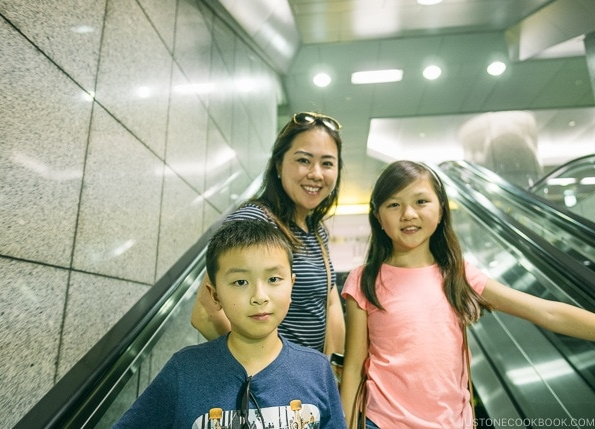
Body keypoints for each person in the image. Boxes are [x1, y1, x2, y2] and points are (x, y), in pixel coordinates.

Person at [339, 160, 595, 429]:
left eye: (421, 201)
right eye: (393, 204)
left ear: (440, 210)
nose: (408, 214)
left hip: (452, 422)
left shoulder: (458, 275)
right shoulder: (364, 279)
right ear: (378, 217)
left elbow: (547, 312)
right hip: (382, 422)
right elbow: (355, 365)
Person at [114, 220, 346, 428]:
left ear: (291, 285)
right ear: (214, 295)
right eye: (240, 281)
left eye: (274, 279)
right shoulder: (185, 370)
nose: (259, 296)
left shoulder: (316, 369)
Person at [191, 112, 346, 357]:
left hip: (312, 383)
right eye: (304, 160)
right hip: (273, 386)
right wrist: (268, 369)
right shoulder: (256, 221)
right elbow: (205, 312)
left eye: (327, 163)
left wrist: (331, 373)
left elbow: (331, 302)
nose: (317, 173)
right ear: (278, 164)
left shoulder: (316, 231)